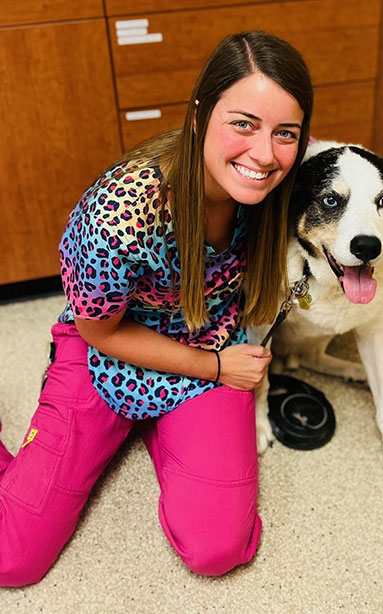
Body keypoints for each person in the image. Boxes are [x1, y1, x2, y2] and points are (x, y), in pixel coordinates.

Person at [0, 30, 313, 586]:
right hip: (110, 350)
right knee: (11, 557)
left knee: (218, 549)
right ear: (200, 115)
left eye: (284, 133)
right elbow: (100, 331)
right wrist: (219, 369)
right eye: (243, 123)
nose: (264, 154)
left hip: (207, 336)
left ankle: (164, 432)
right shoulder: (121, 212)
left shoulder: (275, 190)